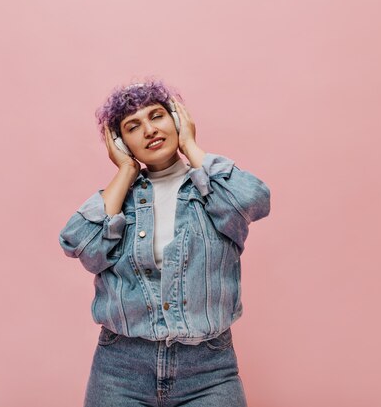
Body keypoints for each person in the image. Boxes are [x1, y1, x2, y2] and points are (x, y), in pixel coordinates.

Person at [59, 79, 271, 406]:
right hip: (120, 369)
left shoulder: (211, 191)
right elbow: (84, 248)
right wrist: (126, 170)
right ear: (121, 142)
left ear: (176, 118)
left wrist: (190, 145)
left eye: (157, 116)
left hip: (209, 369)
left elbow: (255, 200)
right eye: (133, 126)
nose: (149, 130)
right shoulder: (120, 200)